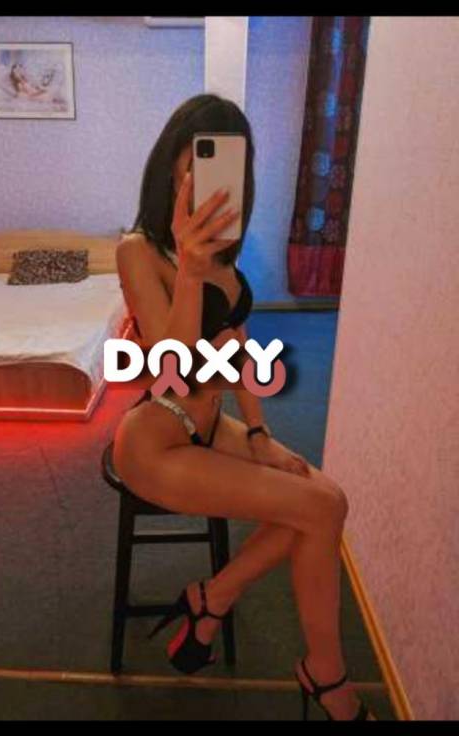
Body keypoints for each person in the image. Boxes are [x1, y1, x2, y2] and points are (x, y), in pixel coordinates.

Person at [111, 94, 375, 721]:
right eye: (197, 163)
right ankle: (327, 679)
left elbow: (234, 345)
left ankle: (212, 598)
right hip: (155, 440)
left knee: (328, 500)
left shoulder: (225, 254)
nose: (212, 181)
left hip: (210, 425)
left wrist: (259, 434)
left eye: (234, 165)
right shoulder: (137, 251)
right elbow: (173, 369)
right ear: (172, 167)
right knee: (316, 509)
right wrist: (190, 269)